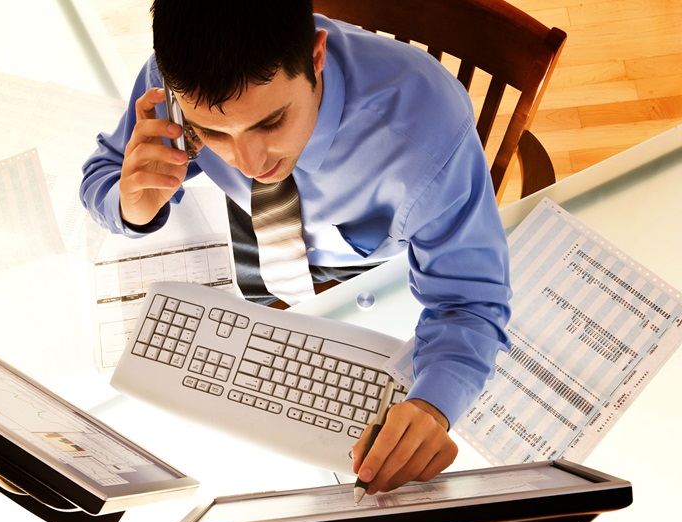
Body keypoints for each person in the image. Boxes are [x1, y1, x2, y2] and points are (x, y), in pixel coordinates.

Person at [80, 0, 511, 496]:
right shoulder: (174, 79)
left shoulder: (426, 132)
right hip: (253, 234)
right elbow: (105, 172)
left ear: (317, 55)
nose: (248, 161)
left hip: (367, 273)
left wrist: (433, 403)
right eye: (213, 132)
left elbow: (469, 301)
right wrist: (132, 206)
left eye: (271, 121)